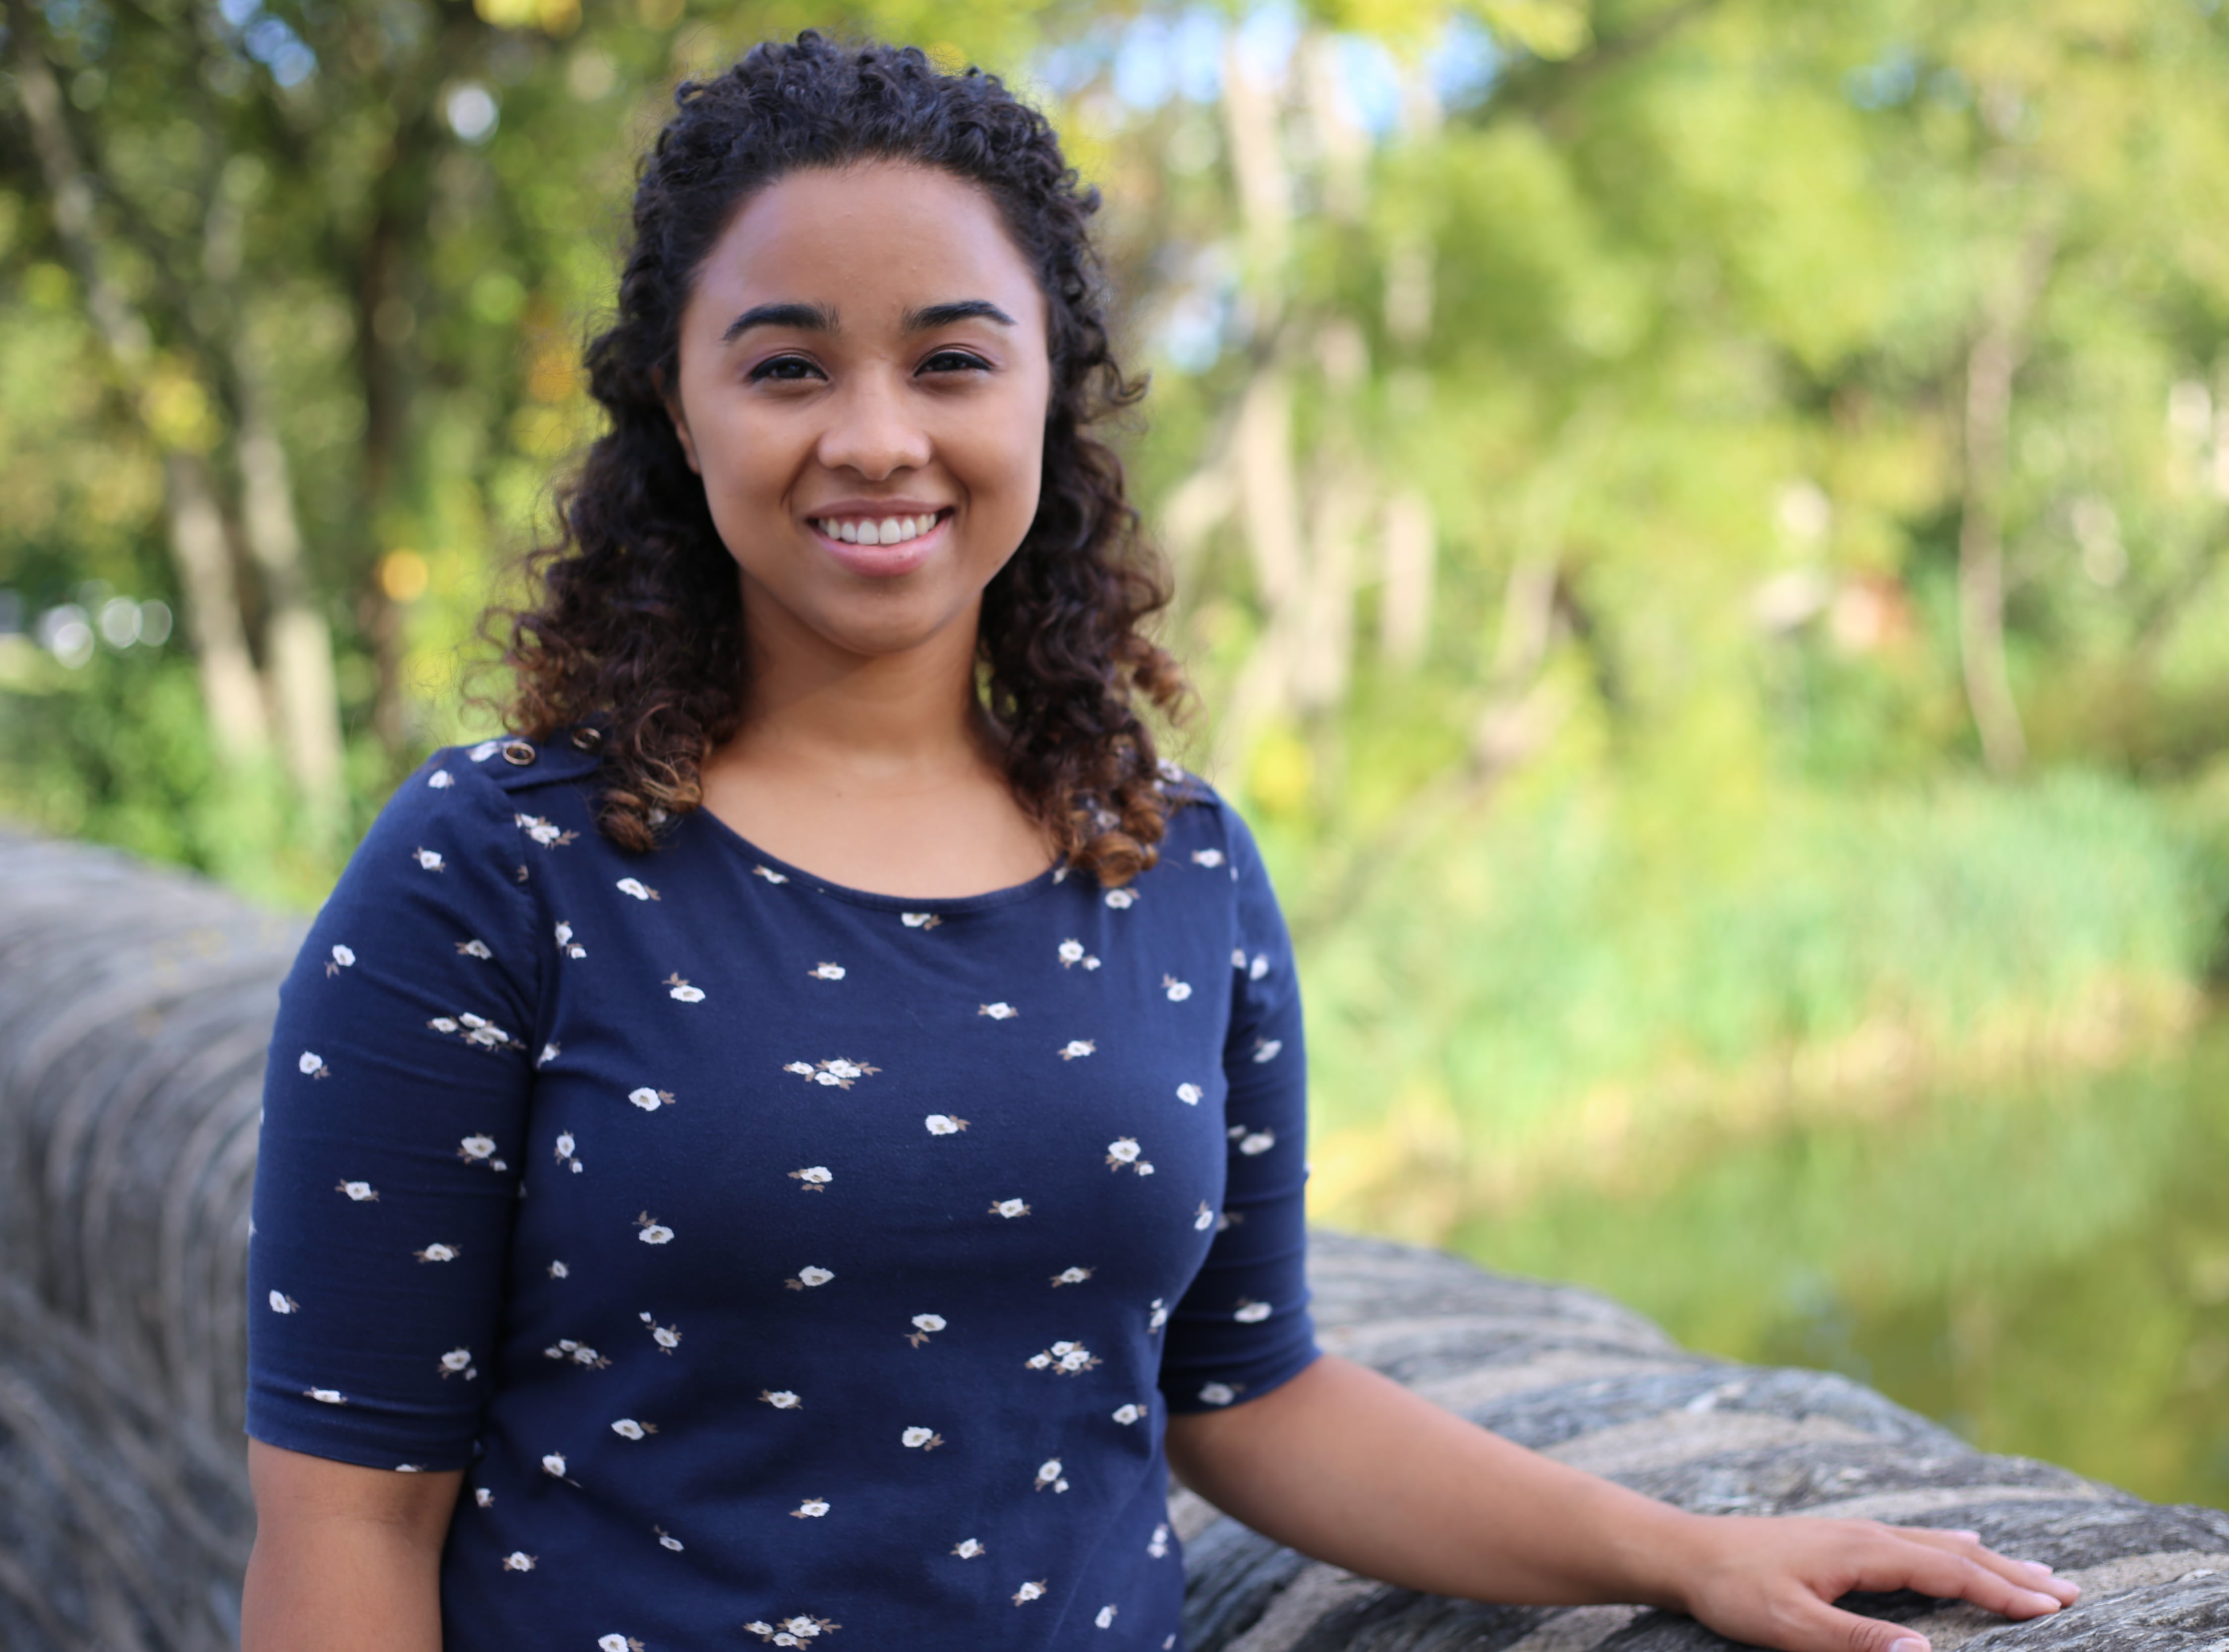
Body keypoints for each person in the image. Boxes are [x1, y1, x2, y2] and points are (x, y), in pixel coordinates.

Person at [238, 35, 2078, 1652]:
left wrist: (1681, 1551)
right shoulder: (497, 866)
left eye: (952, 361)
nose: (877, 438)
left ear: (1050, 394)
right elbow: (347, 1521)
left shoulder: (1166, 863)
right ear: (679, 407)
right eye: (788, 369)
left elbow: (1249, 1393)